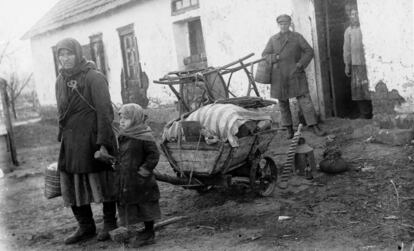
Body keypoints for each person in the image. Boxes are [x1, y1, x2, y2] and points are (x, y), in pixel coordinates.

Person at [55, 38, 117, 244]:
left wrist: (103, 143)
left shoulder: (94, 77)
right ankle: (86, 226)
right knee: (72, 182)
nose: (65, 58)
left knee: (103, 180)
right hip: (71, 140)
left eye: (69, 53)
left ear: (78, 54)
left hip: (93, 138)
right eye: (61, 54)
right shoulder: (60, 80)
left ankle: (110, 223)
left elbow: (105, 112)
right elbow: (61, 111)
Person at [262, 14, 326, 139]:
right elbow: (265, 55)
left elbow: (309, 51)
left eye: (286, 23)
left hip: (295, 73)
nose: (283, 26)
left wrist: (300, 64)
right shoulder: (273, 39)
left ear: (290, 24)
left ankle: (313, 126)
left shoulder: (297, 37)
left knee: (305, 100)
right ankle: (289, 129)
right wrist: (275, 57)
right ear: (278, 25)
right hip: (279, 76)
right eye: (281, 24)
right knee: (283, 103)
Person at [115, 103, 161, 247]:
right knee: (130, 204)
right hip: (127, 179)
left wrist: (144, 170)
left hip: (142, 181)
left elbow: (153, 155)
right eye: (120, 117)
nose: (122, 121)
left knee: (146, 206)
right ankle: (130, 231)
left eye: (126, 118)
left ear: (135, 119)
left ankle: (149, 232)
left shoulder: (144, 136)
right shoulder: (123, 136)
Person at [343, 6, 373, 119]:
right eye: (352, 14)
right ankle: (364, 114)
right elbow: (346, 49)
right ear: (349, 16)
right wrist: (347, 64)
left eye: (357, 14)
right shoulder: (348, 31)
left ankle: (372, 112)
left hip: (367, 65)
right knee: (358, 90)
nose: (354, 16)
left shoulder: (365, 28)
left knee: (368, 88)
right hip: (355, 65)